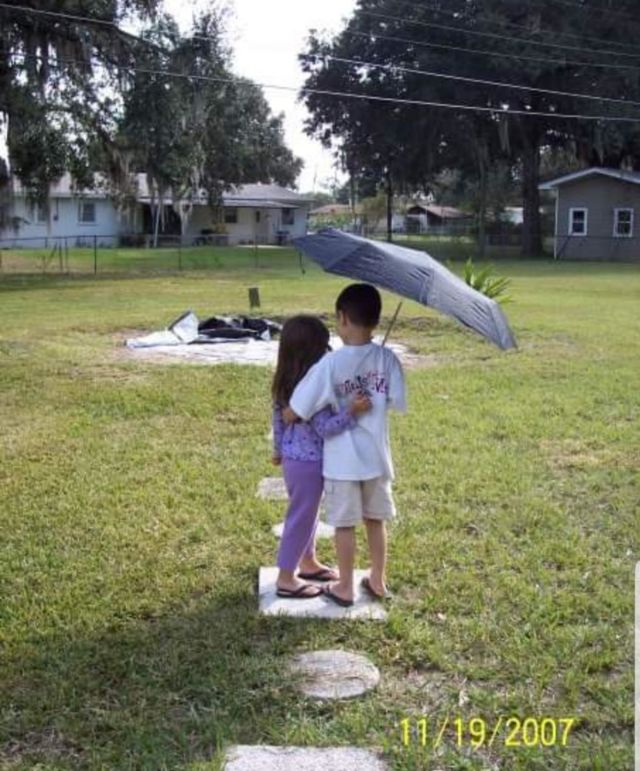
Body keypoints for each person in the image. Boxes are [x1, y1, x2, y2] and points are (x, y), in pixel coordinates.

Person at [285, 284, 406, 606]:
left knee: (344, 525)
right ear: (376, 321)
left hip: (342, 464)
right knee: (375, 520)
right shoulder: (388, 359)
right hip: (377, 459)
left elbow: (299, 406)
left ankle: (345, 587)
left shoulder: (329, 364)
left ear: (342, 318)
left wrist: (289, 413)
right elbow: (396, 400)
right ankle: (377, 580)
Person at [272, 315, 372, 599]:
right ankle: (286, 578)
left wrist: (278, 450)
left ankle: (307, 562)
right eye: (325, 345)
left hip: (294, 461)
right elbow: (325, 428)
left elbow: (278, 418)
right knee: (301, 519)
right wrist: (352, 412)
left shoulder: (285, 380)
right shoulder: (316, 388)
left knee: (307, 514)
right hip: (310, 462)